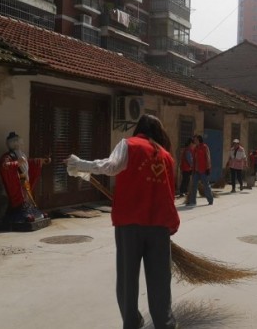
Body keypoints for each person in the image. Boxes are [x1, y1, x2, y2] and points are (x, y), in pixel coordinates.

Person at [65, 115, 179, 329]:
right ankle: (165, 323)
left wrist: (80, 164)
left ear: (139, 129)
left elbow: (110, 166)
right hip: (159, 227)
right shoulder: (166, 156)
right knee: (160, 281)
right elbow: (170, 194)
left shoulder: (129, 145)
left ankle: (132, 322)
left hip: (130, 225)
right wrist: (171, 224)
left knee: (128, 279)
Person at [0, 132, 50, 223]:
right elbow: (4, 165)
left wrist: (40, 161)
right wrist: (17, 163)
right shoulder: (8, 156)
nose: (22, 141)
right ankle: (22, 213)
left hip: (25, 181)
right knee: (20, 199)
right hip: (17, 182)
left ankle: (30, 211)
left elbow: (28, 162)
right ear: (15, 143)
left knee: (27, 197)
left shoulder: (21, 154)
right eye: (20, 140)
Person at [187, 134, 213, 206]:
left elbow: (208, 158)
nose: (194, 141)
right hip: (196, 170)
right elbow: (194, 160)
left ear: (199, 140)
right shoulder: (195, 148)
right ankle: (193, 201)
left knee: (206, 185)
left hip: (203, 170)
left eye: (195, 139)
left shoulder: (205, 147)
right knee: (194, 186)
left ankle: (210, 200)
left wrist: (208, 168)